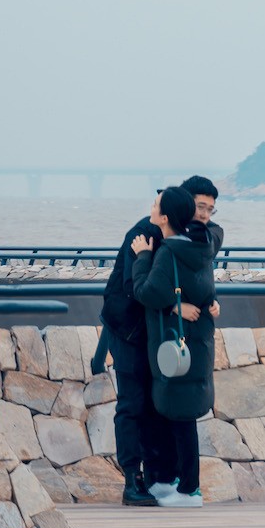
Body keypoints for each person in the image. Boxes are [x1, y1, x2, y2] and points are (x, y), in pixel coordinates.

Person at [131, 183, 219, 507]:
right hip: (196, 344)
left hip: (175, 343)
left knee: (181, 420)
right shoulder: (201, 247)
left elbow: (147, 292)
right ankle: (178, 483)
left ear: (166, 217)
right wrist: (177, 304)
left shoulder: (168, 252)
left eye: (156, 205)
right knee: (182, 418)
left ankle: (189, 490)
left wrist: (142, 257)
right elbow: (205, 292)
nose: (152, 209)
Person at [100, 191, 170, 506]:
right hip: (127, 328)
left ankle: (156, 476)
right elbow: (133, 288)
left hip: (153, 332)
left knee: (155, 404)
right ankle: (132, 480)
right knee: (132, 403)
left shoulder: (181, 238)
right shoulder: (142, 235)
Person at [182, 175, 225, 259]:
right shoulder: (165, 223)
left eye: (210, 210)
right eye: (201, 207)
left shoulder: (214, 231)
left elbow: (204, 243)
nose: (205, 215)